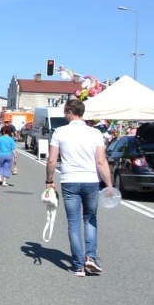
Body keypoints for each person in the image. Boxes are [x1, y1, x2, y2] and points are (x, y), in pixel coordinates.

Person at [45, 99, 113, 277]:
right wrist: (109, 185)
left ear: (69, 112)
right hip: (91, 180)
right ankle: (91, 257)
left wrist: (49, 180)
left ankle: (78, 266)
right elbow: (101, 161)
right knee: (90, 219)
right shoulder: (95, 133)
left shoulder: (59, 132)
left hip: (70, 181)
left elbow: (52, 160)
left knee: (74, 223)